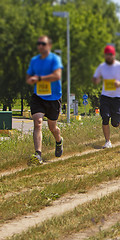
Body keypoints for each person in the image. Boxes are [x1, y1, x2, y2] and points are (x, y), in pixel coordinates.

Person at [26, 36, 64, 165]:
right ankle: (38, 155)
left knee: (52, 128)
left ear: (49, 45)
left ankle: (59, 141)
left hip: (53, 99)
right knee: (38, 122)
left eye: (43, 44)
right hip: (39, 97)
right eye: (39, 44)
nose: (41, 46)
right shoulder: (35, 60)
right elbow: (29, 74)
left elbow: (57, 75)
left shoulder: (55, 59)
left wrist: (40, 78)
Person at [92, 45, 120, 148]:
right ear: (105, 56)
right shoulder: (102, 67)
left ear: (113, 55)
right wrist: (96, 80)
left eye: (110, 55)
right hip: (105, 96)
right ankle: (107, 141)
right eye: (107, 55)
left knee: (114, 122)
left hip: (118, 97)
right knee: (105, 117)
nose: (108, 57)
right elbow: (95, 78)